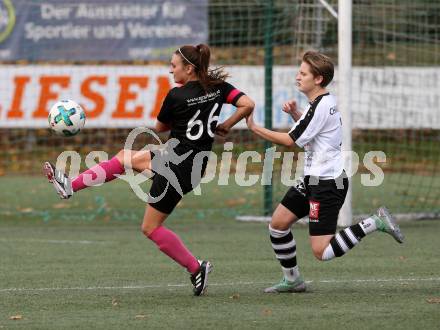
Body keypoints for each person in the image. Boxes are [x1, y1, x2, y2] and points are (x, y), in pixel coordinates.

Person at [44, 44, 255, 296]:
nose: (170, 70)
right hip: (189, 164)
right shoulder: (217, 87)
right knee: (124, 158)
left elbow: (160, 127)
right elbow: (248, 104)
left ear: (188, 68)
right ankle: (69, 186)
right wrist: (226, 124)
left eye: (174, 66)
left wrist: (181, 115)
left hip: (176, 167)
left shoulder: (176, 95)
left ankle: (196, 267)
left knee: (150, 228)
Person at [245, 51, 404, 293]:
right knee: (278, 224)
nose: (297, 77)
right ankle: (293, 280)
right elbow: (312, 135)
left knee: (321, 251)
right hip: (312, 180)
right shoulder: (319, 104)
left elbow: (290, 141)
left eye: (303, 73)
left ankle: (375, 222)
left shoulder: (321, 105)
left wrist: (254, 127)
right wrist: (296, 114)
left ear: (318, 79)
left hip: (327, 184)